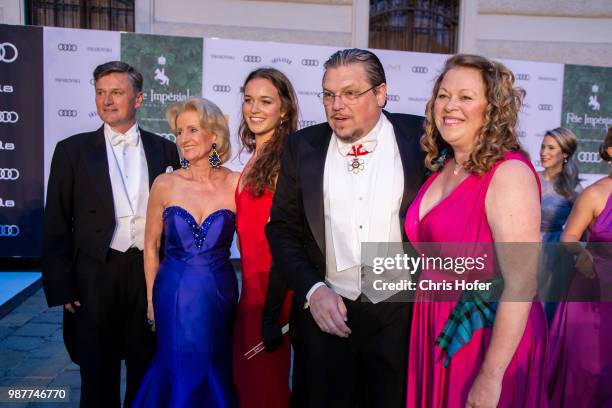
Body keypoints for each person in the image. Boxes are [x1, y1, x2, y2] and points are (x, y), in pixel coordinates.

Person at [266, 48, 427, 408]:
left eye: (351, 93)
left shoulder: (423, 139)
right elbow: (282, 230)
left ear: (381, 93)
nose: (337, 105)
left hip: (399, 315)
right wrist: (312, 290)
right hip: (326, 314)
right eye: (328, 94)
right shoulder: (302, 147)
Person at [403, 54, 547, 407]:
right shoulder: (443, 167)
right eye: (443, 95)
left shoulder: (509, 174)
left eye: (465, 97)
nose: (450, 106)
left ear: (492, 108)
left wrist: (491, 374)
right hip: (433, 324)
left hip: (482, 339)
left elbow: (522, 282)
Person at [42, 61, 180, 407]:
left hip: (147, 274)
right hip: (94, 276)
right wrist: (62, 284)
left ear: (138, 99)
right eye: (100, 93)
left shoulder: (164, 149)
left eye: (117, 92)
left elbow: (205, 173)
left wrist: (213, 144)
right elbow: (55, 222)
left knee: (145, 366)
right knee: (96, 372)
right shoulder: (71, 150)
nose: (107, 100)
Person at [132, 97, 240, 408]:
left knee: (214, 363)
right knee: (175, 365)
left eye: (193, 129)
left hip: (217, 292)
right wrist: (152, 300)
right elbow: (151, 247)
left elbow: (253, 242)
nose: (183, 139)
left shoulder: (235, 183)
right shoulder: (165, 184)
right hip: (172, 292)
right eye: (179, 132)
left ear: (215, 136)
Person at [233, 68, 297, 408]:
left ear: (284, 109)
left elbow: (288, 238)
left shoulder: (284, 162)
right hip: (250, 292)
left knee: (264, 387)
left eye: (266, 101)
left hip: (272, 294)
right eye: (248, 100)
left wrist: (274, 311)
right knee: (248, 383)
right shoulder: (255, 159)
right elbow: (215, 173)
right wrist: (192, 154)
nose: (254, 108)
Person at [547, 128, 612, 406]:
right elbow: (569, 237)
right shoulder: (595, 194)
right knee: (586, 370)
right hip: (592, 291)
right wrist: (583, 254)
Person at [538, 127, 582, 321]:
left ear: (565, 153)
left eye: (551, 148)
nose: (543, 153)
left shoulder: (572, 188)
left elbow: (584, 233)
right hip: (522, 246)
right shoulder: (530, 178)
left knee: (544, 309)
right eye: (542, 147)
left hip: (553, 256)